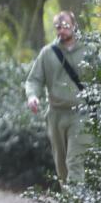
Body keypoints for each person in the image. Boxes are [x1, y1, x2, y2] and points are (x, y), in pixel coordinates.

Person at [25, 10, 92, 183]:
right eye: (58, 27)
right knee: (61, 166)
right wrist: (32, 96)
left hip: (81, 114)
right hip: (55, 114)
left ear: (74, 26)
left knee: (74, 161)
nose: (62, 31)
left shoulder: (89, 50)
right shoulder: (48, 53)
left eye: (66, 26)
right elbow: (34, 79)